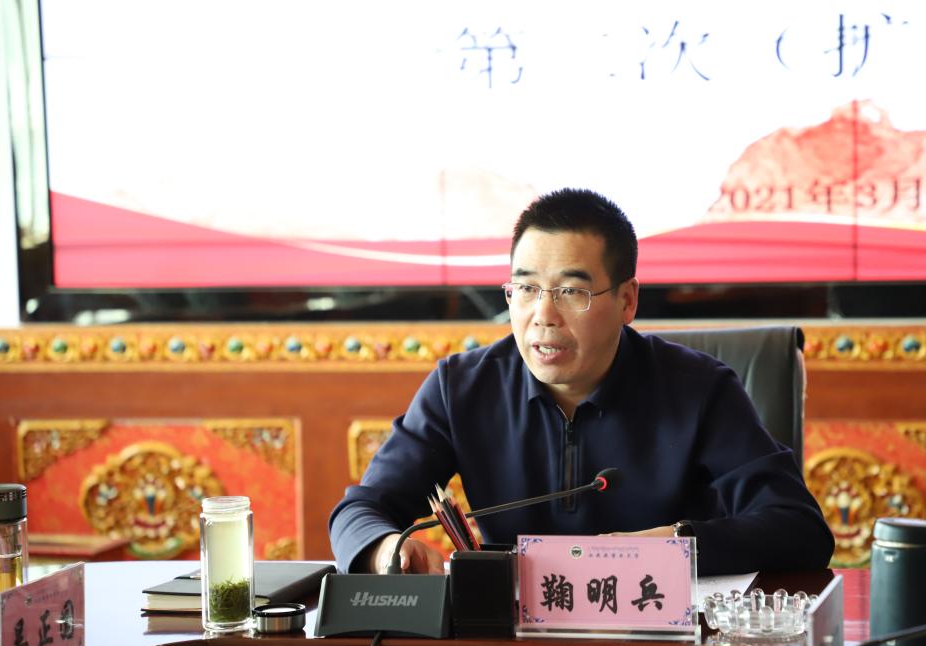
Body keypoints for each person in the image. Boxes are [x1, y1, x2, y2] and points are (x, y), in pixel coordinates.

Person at [329, 188, 834, 576]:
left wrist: (675, 544)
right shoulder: (461, 388)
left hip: (660, 643)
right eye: (525, 288)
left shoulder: (699, 389)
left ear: (627, 301)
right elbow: (361, 509)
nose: (543, 316)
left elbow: (798, 527)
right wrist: (386, 550)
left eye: (571, 291)